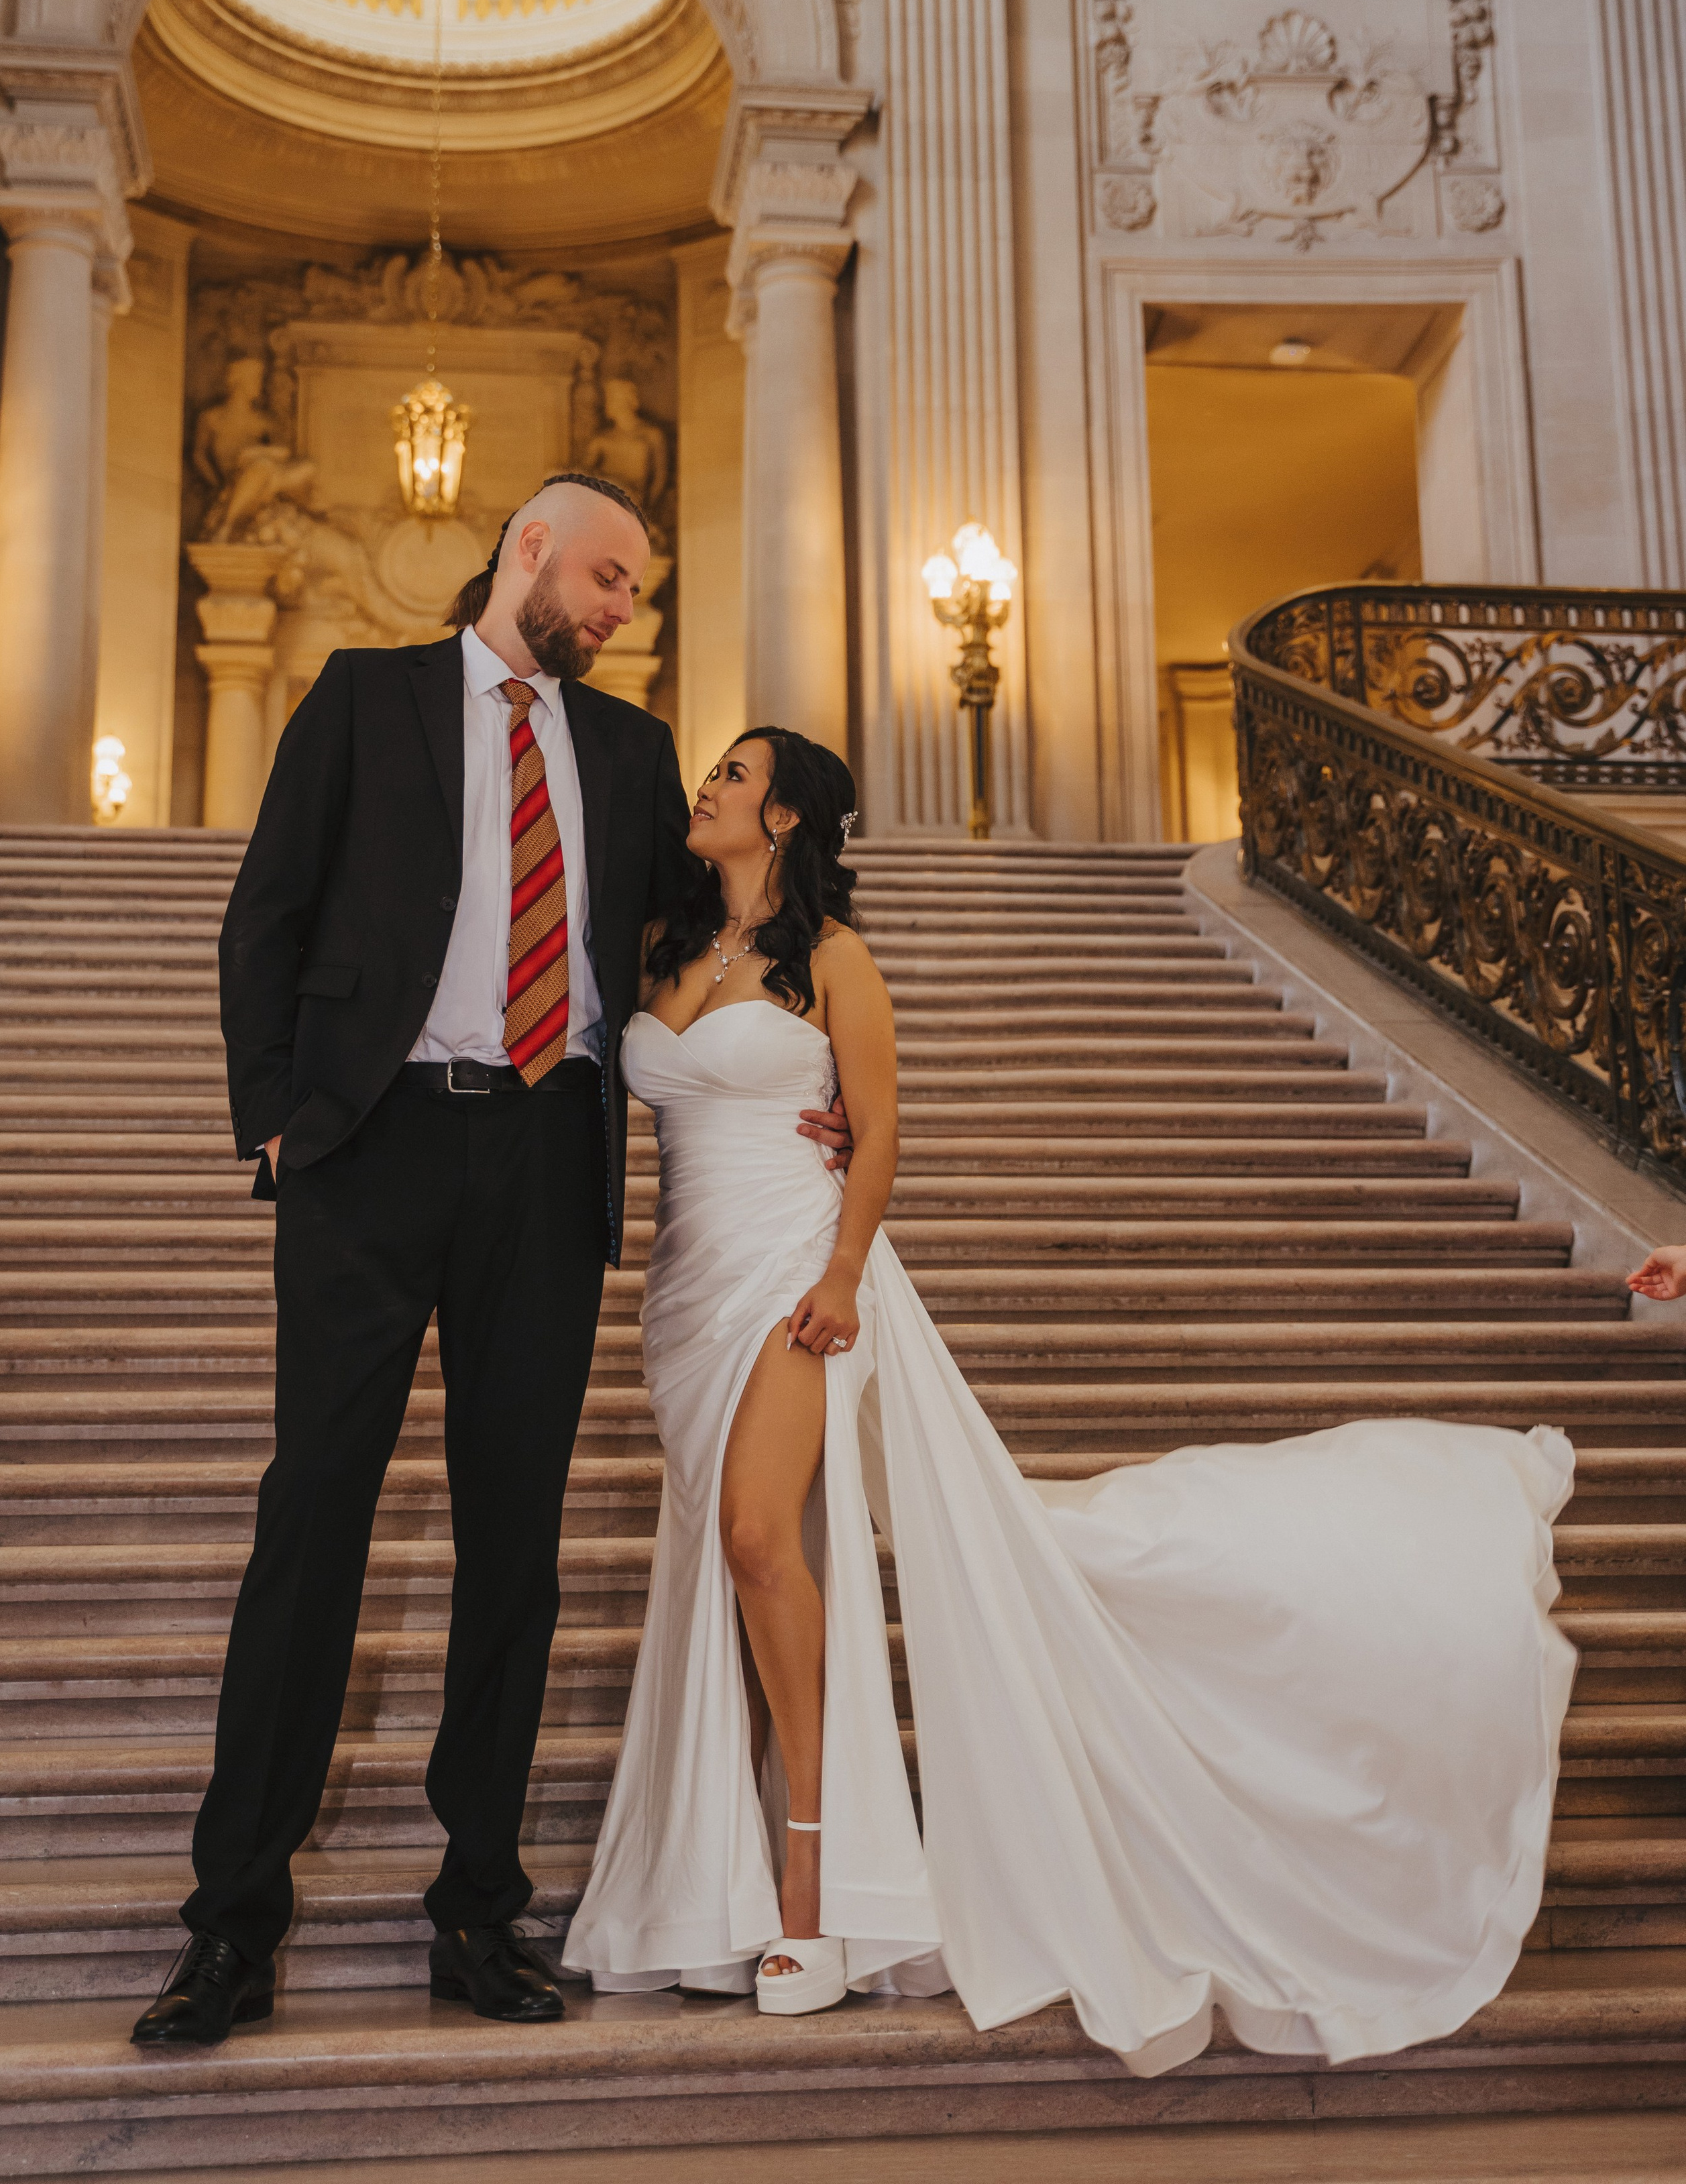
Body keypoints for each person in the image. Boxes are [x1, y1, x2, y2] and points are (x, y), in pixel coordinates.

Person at [564, 725, 1579, 2069]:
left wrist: (847, 1272)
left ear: (794, 818)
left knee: (761, 1539)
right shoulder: (662, 951)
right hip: (685, 1291)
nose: (711, 785)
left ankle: (814, 1885)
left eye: (739, 775)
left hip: (795, 1275)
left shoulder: (836, 963)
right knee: (747, 1568)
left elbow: (879, 1129)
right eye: (715, 771)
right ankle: (724, 1878)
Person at [132, 476, 848, 2049]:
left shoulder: (630, 748)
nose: (614, 611)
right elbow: (267, 912)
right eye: (600, 577)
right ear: (526, 548)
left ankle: (477, 1914)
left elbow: (697, 937)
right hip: (371, 1151)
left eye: (630, 594)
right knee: (311, 1525)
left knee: (511, 1553)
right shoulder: (362, 697)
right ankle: (230, 1928)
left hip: (543, 1161)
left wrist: (801, 1074)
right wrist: (273, 1119)